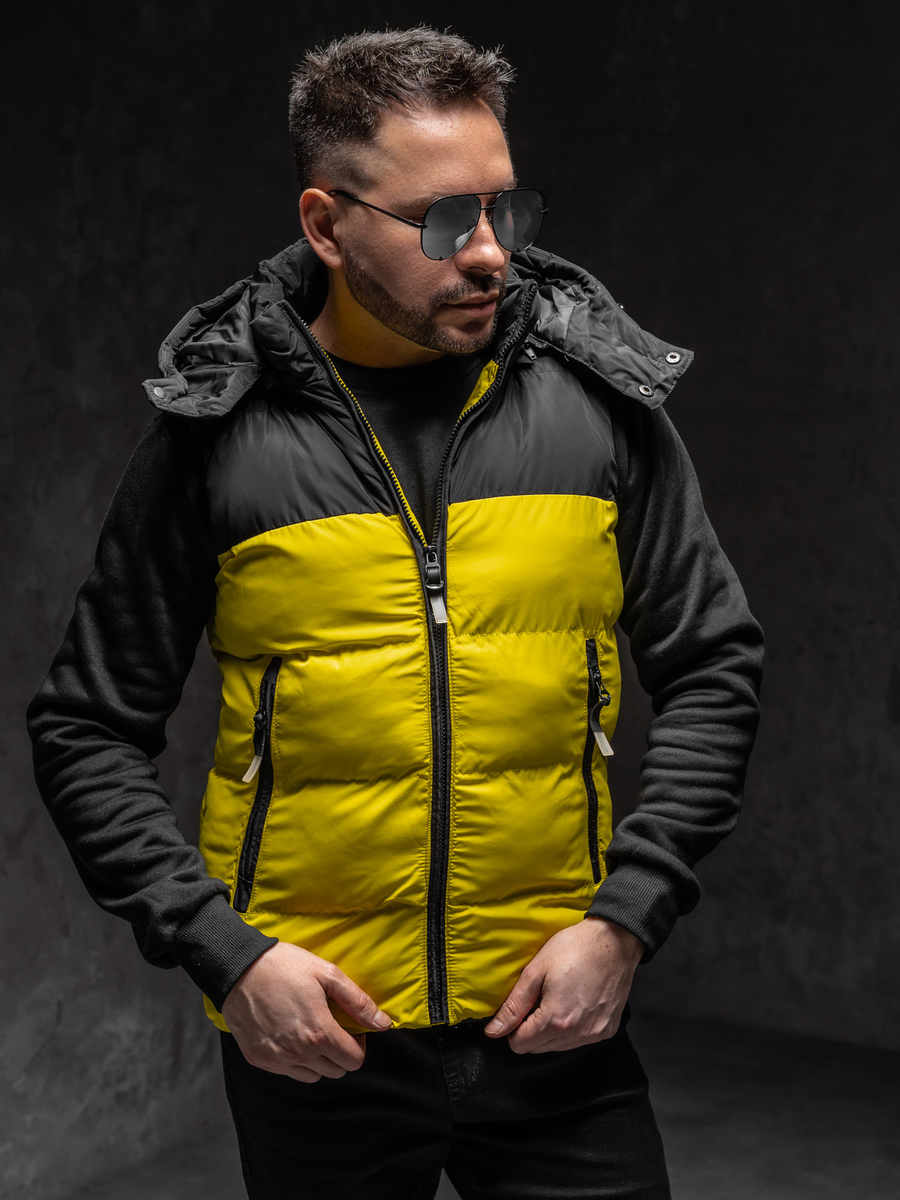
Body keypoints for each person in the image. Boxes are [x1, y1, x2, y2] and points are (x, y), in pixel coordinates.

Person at [25, 25, 764, 1200]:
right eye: (441, 222)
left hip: (552, 1020)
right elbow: (85, 726)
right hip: (318, 1034)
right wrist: (229, 959)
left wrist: (626, 919)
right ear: (326, 225)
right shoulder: (215, 438)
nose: (490, 253)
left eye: (505, 210)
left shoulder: (601, 411)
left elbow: (716, 667)